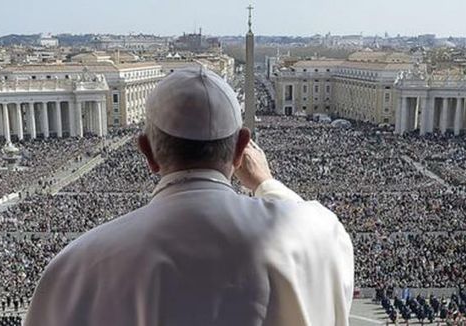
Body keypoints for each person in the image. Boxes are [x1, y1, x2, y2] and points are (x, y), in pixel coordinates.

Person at [24, 67, 354, 326]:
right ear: (241, 149)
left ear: (147, 152)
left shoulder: (76, 268)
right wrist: (265, 183)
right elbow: (314, 225)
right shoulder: (319, 235)